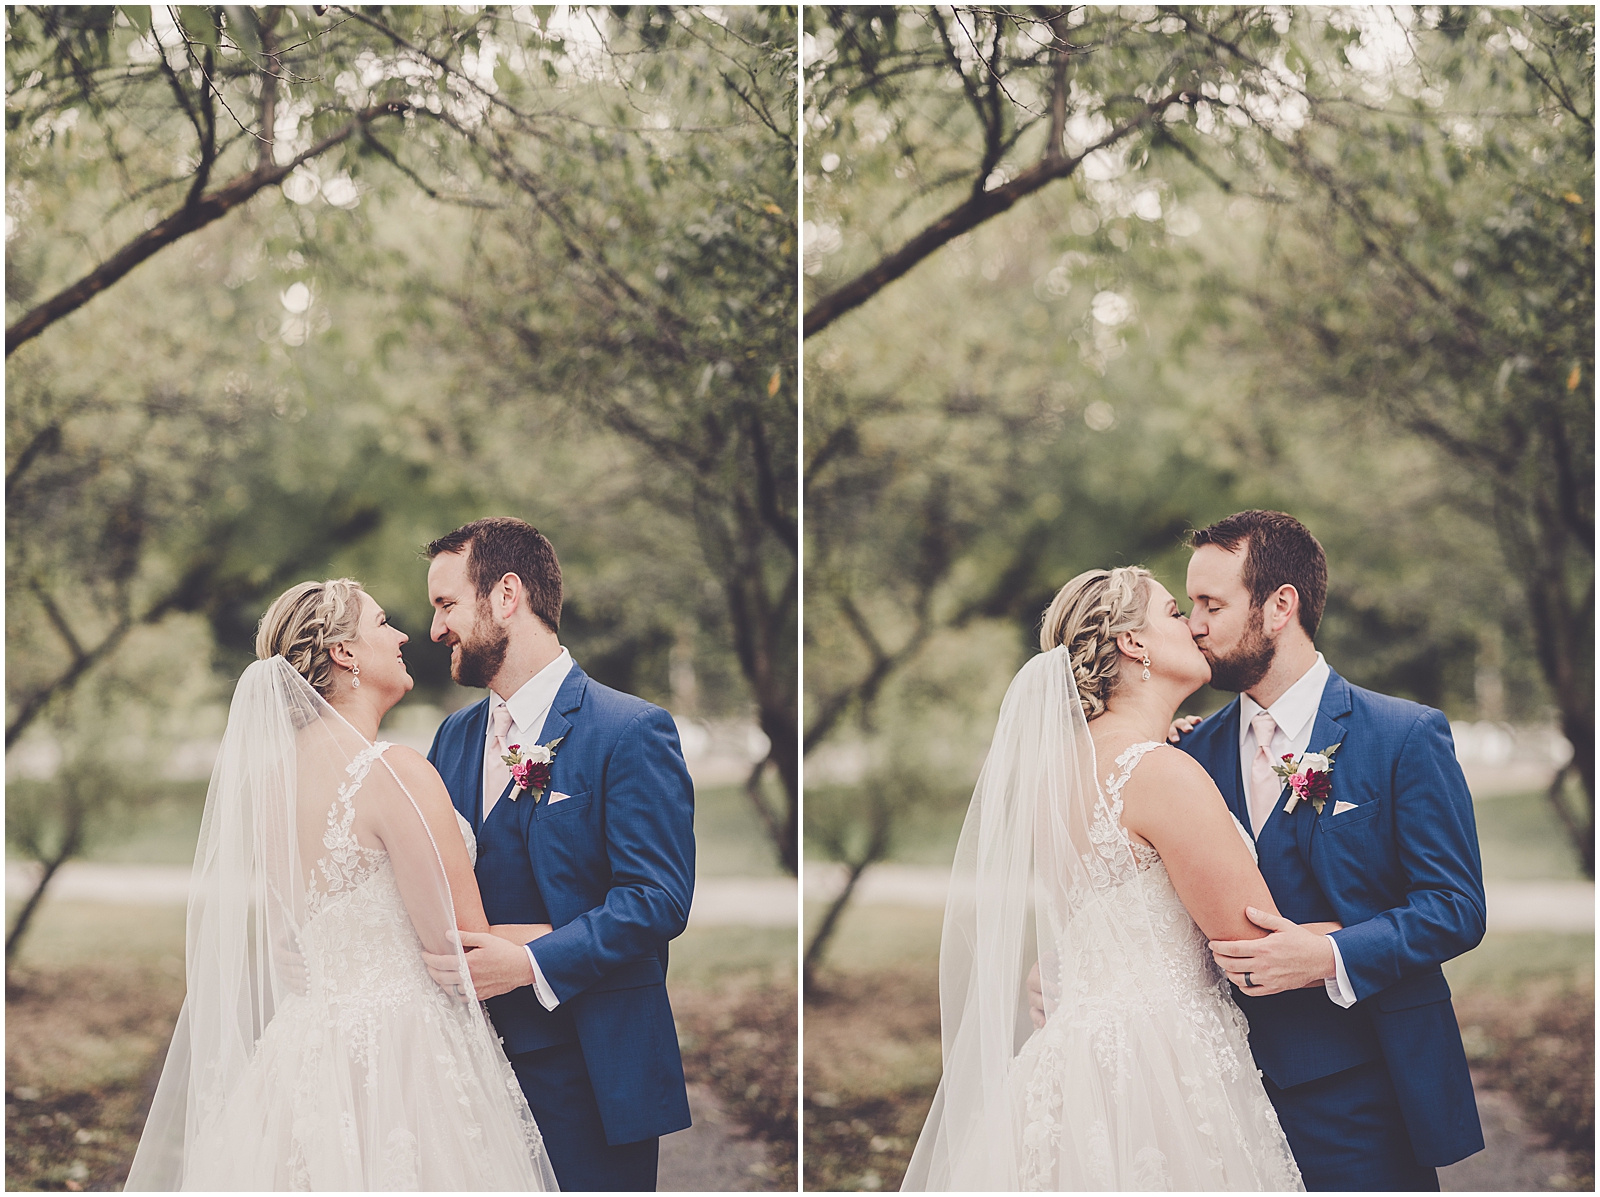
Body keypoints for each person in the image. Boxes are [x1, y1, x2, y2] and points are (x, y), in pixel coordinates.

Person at [125, 578, 558, 1190]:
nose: (406, 633)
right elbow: (464, 949)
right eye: (383, 623)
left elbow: (306, 934)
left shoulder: (268, 791)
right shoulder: (392, 772)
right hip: (406, 1058)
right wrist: (578, 929)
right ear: (345, 654)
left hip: (305, 1056)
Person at [903, 566, 1305, 1191]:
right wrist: (1336, 939)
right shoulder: (1160, 773)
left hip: (1072, 1060)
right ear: (1133, 644)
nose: (1195, 626)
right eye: (1174, 613)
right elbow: (1253, 945)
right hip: (1160, 1066)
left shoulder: (1060, 773)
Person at [1174, 510, 1485, 1190]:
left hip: (1364, 1092)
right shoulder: (1186, 755)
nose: (1192, 623)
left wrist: (1330, 954)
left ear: (1280, 605)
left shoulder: (1403, 734)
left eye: (1211, 604)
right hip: (1219, 1099)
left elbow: (1456, 907)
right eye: (1189, 604)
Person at [418, 517, 695, 1193]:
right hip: (467, 1072)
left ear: (506, 595)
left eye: (446, 604)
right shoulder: (451, 739)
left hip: (591, 1072)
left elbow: (656, 897)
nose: (435, 630)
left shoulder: (630, 730)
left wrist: (530, 962)